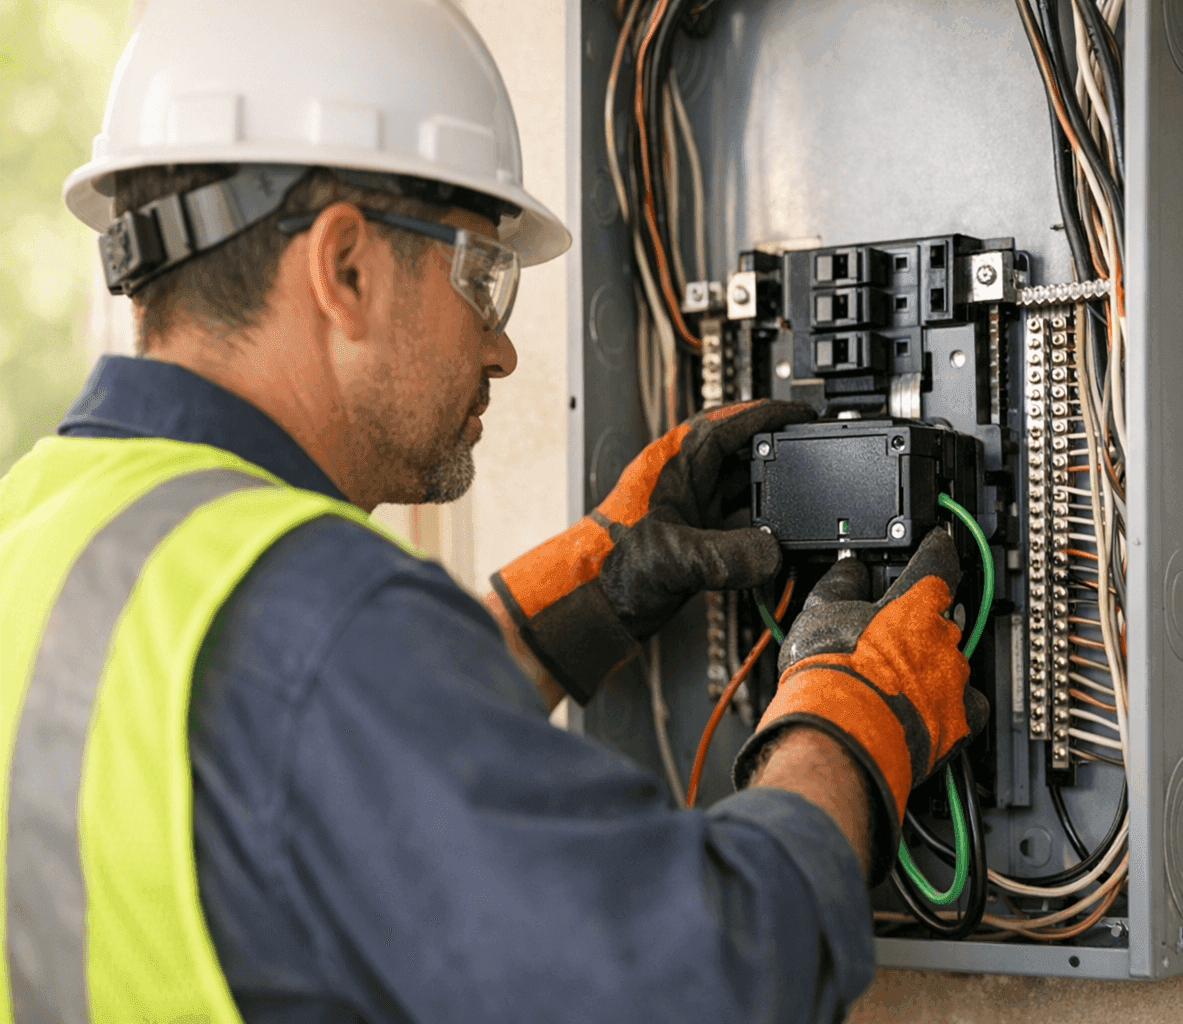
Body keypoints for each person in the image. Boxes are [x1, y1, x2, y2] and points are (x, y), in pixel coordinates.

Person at [0, 1, 983, 1020]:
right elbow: (706, 976)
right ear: (345, 269)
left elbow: (264, 789)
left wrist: (559, 610)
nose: (501, 349)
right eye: (483, 274)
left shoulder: (38, 528)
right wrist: (851, 726)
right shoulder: (320, 622)